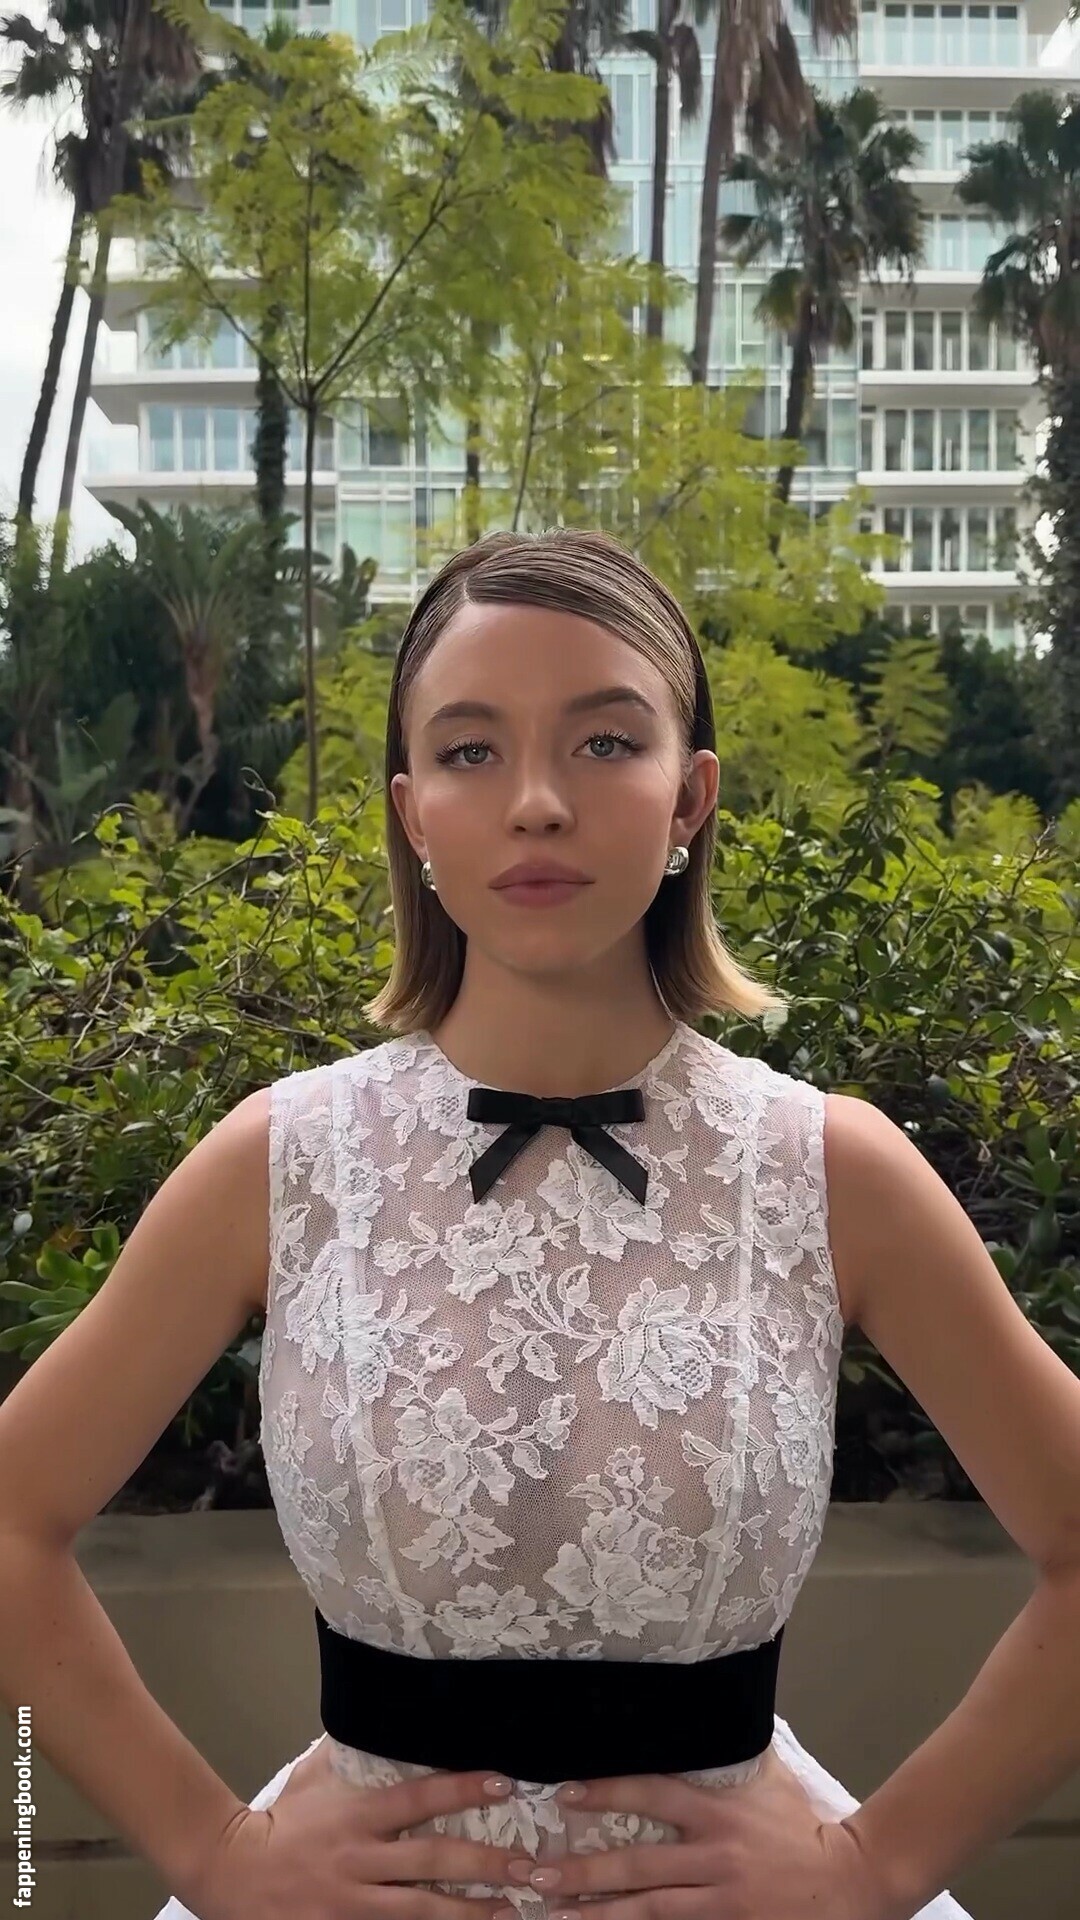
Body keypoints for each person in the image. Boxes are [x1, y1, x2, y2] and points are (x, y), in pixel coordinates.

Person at [5, 523, 1009, 1920]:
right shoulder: (284, 1164)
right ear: (414, 813)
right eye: (472, 750)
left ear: (691, 796)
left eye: (605, 742)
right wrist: (209, 1851)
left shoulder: (829, 1171)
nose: (537, 802)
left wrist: (880, 1864)